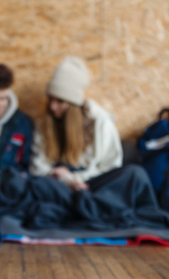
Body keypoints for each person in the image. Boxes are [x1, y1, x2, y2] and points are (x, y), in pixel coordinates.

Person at [30, 57, 124, 191]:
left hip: (90, 184)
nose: (52, 106)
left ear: (73, 104)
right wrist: (65, 180)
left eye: (60, 101)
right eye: (50, 99)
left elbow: (111, 168)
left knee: (133, 173)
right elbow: (38, 167)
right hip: (55, 185)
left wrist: (74, 178)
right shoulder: (44, 124)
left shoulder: (100, 123)